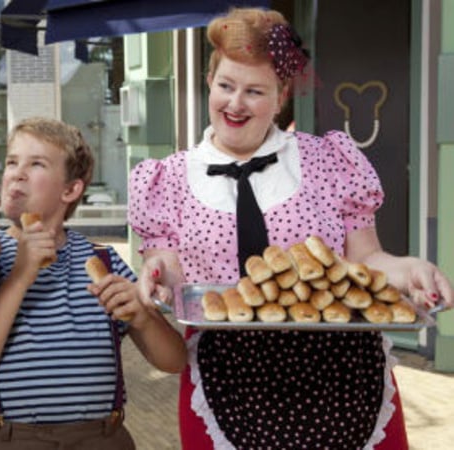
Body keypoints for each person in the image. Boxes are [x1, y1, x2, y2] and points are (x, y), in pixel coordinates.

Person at [128, 7, 454, 450]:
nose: (236, 103)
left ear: (281, 96)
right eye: (226, 85)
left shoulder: (328, 161)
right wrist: (158, 274)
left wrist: (408, 268)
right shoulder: (167, 180)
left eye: (255, 91)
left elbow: (367, 260)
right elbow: (166, 261)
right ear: (209, 81)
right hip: (228, 379)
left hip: (341, 378)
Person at [0, 117, 187, 449]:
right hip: (2, 439)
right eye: (11, 162)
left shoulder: (104, 263)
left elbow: (174, 361)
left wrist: (143, 317)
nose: (17, 173)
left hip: (101, 438)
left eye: (36, 164)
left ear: (71, 189)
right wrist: (20, 276)